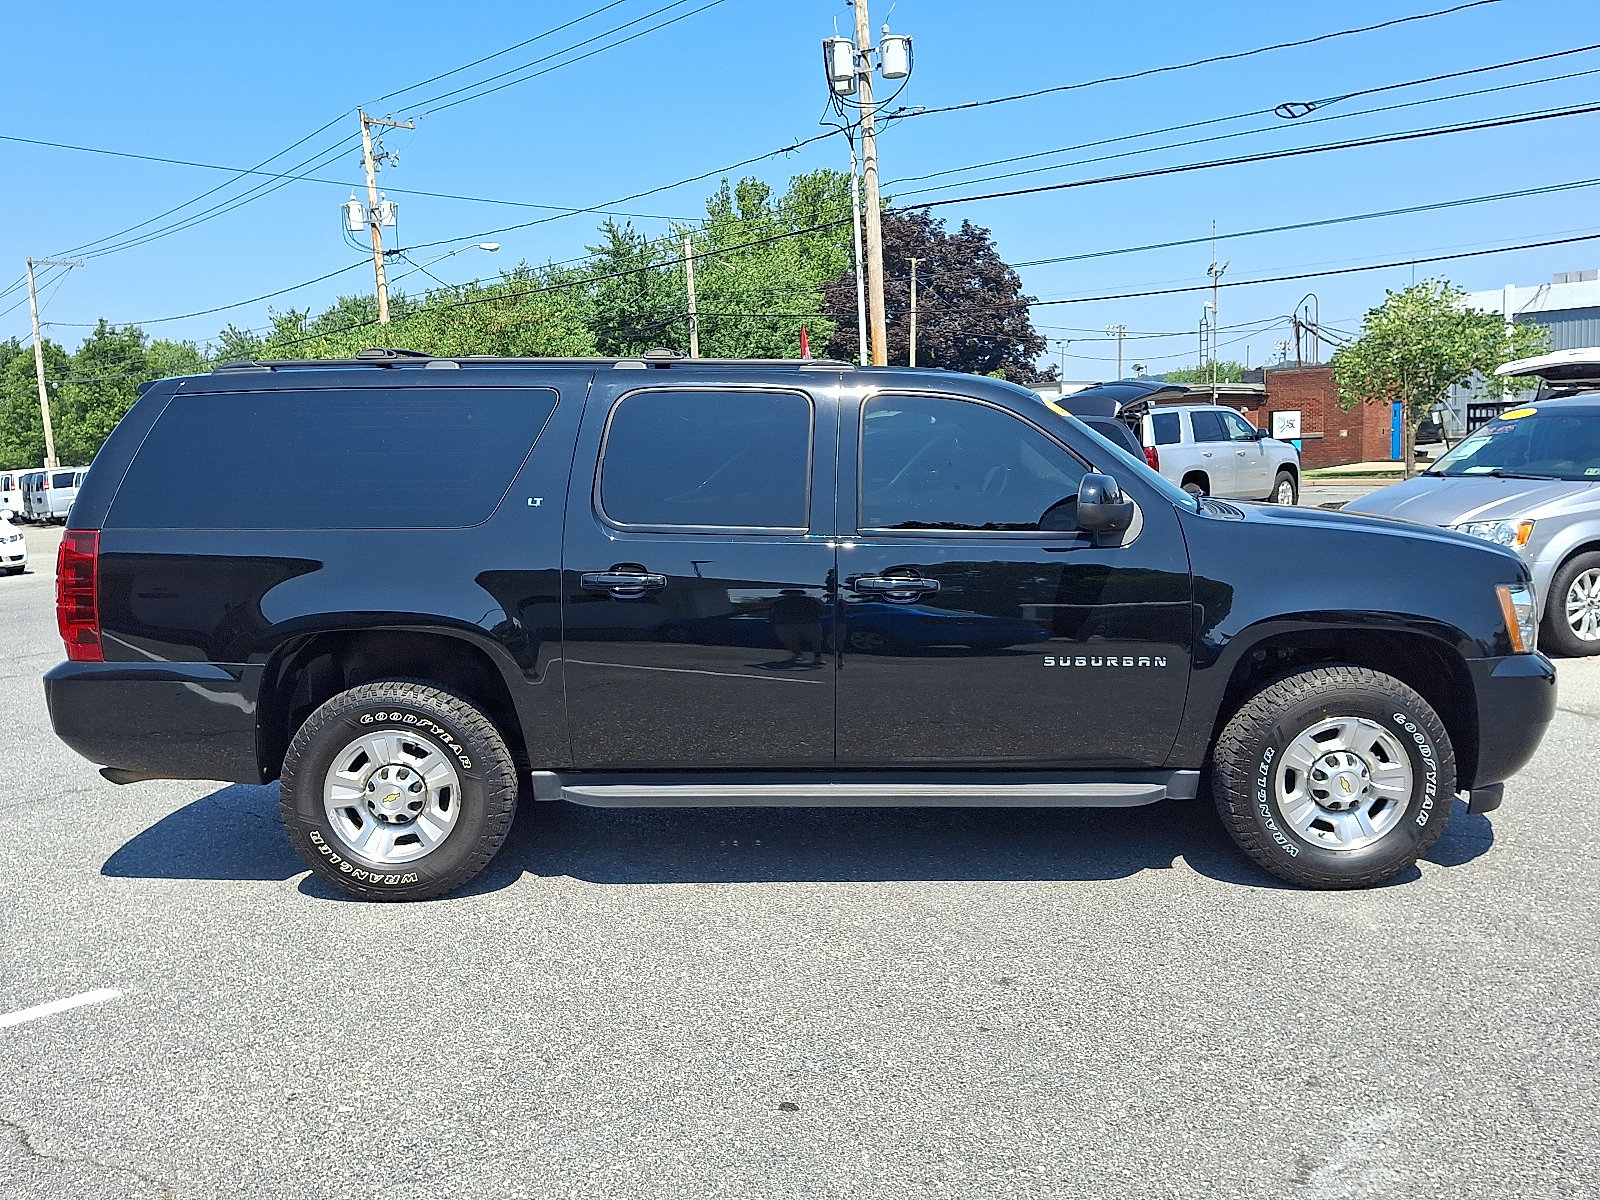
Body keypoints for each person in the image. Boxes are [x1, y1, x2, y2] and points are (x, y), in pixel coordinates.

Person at [769, 589, 826, 665]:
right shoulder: (780, 600)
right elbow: (762, 604)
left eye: (796, 593)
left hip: (810, 622)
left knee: (815, 640)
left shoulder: (809, 600)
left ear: (801, 593)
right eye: (790, 593)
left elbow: (822, 606)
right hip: (788, 623)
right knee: (789, 640)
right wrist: (777, 599)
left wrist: (817, 600)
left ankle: (818, 658)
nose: (793, 594)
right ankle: (798, 654)